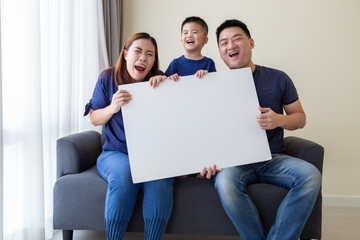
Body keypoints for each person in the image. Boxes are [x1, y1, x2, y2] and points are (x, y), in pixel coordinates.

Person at [198, 19, 322, 240]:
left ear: (251, 42)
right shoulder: (211, 84)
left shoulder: (278, 78)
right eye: (224, 42)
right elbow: (204, 130)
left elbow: (300, 118)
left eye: (237, 39)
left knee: (311, 175)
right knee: (225, 184)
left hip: (272, 158)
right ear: (220, 51)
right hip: (234, 162)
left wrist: (278, 120)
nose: (230, 45)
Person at [84, 32, 173, 240]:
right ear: (125, 54)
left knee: (161, 180)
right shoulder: (107, 78)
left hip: (151, 155)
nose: (143, 58)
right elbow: (94, 118)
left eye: (150, 54)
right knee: (124, 175)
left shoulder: (159, 81)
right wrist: (112, 107)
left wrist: (168, 87)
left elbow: (174, 123)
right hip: (115, 153)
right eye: (138, 51)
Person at [149, 16, 216, 85]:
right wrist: (170, 79)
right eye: (185, 33)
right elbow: (165, 84)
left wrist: (206, 77)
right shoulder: (175, 63)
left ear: (205, 40)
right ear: (181, 40)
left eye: (195, 32)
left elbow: (214, 85)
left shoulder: (209, 63)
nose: (189, 35)